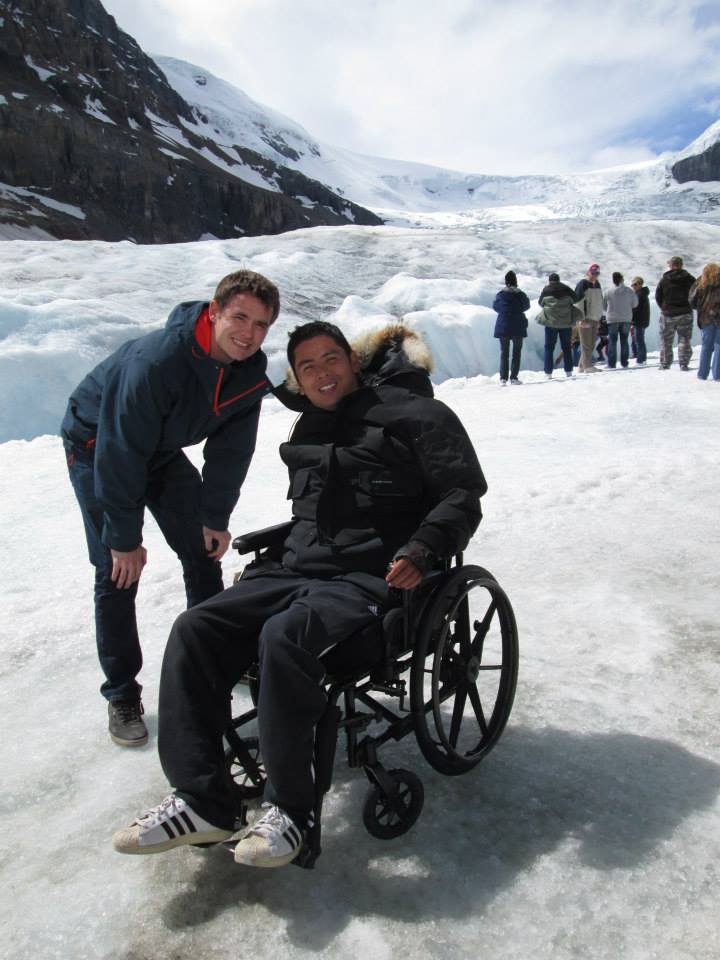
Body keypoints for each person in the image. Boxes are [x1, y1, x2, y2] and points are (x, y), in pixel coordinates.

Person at [112, 321, 486, 868]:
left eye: (330, 359)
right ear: (299, 378)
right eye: (307, 366)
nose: (321, 373)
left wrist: (423, 548)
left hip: (374, 580)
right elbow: (308, 515)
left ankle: (293, 814)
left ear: (352, 362)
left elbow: (461, 493)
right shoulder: (309, 425)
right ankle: (203, 801)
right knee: (196, 628)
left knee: (285, 637)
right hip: (295, 570)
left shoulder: (419, 417)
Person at [61, 270, 280, 748]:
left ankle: (209, 659)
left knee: (202, 553)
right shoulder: (157, 361)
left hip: (157, 449)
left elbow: (231, 452)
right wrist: (123, 538)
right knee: (118, 571)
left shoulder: (247, 375)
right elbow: (119, 450)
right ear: (214, 310)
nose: (248, 333)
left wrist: (215, 518)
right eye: (239, 317)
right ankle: (122, 693)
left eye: (261, 325)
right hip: (98, 443)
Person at [655, 255, 696, 370]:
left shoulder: (664, 280)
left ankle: (665, 363)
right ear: (681, 265)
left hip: (668, 313)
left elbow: (658, 296)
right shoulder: (689, 279)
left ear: (671, 265)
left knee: (666, 339)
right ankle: (683, 363)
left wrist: (664, 307)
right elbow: (696, 293)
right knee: (684, 338)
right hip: (685, 313)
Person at [537, 272, 578, 379]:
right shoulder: (566, 288)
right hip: (566, 323)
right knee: (566, 347)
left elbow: (541, 303)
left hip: (551, 323)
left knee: (549, 348)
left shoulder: (546, 290)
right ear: (559, 280)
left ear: (550, 281)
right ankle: (568, 371)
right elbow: (575, 299)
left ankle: (548, 373)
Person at [492, 270, 530, 385]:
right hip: (518, 325)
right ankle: (513, 378)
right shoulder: (521, 294)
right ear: (515, 281)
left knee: (504, 353)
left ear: (506, 282)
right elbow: (527, 306)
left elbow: (495, 307)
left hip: (503, 325)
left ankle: (503, 378)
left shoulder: (500, 294)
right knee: (516, 353)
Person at [689, 263, 720, 381]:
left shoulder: (700, 283)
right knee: (719, 346)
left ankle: (702, 374)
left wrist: (702, 308)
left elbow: (692, 300)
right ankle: (717, 374)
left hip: (705, 318)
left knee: (706, 346)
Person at [574, 264, 604, 373]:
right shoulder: (583, 284)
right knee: (586, 343)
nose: (595, 275)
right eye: (593, 273)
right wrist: (581, 317)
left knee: (591, 343)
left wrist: (599, 318)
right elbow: (578, 302)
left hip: (595, 318)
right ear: (588, 272)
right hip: (585, 318)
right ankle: (587, 366)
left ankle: (582, 365)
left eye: (597, 273)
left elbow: (599, 301)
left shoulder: (597, 284)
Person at [603, 272, 638, 368]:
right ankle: (624, 362)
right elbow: (635, 304)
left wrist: (610, 311)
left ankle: (611, 363)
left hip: (612, 319)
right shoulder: (629, 291)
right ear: (622, 279)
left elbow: (604, 305)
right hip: (626, 318)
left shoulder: (608, 291)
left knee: (612, 341)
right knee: (624, 340)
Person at [630, 277, 650, 365]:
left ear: (640, 284)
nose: (633, 287)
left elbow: (636, 309)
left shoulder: (640, 295)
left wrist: (631, 318)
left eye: (635, 285)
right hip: (642, 321)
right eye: (632, 285)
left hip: (639, 321)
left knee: (639, 340)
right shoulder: (641, 294)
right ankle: (642, 358)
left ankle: (641, 359)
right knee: (639, 339)